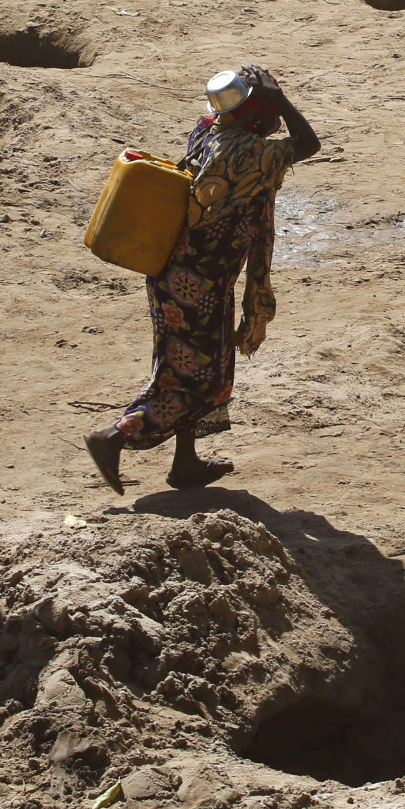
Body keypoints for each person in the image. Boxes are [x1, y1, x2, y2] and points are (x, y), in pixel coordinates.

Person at [84, 64, 319, 493]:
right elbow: (308, 144)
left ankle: (186, 465)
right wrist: (280, 98)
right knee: (198, 378)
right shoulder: (249, 151)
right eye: (271, 116)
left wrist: (258, 96)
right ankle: (115, 435)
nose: (277, 124)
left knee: (191, 367)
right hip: (198, 285)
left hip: (178, 274)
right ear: (254, 118)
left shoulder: (210, 129)